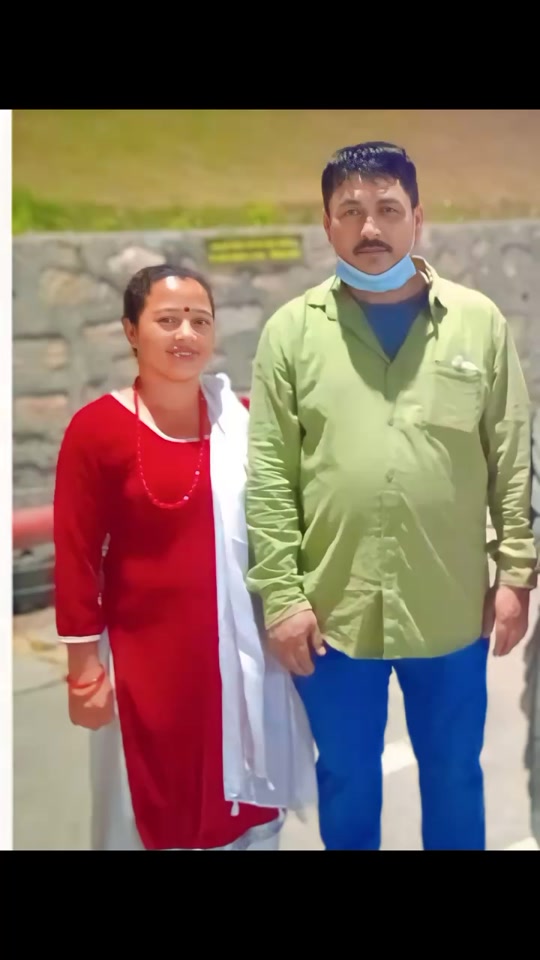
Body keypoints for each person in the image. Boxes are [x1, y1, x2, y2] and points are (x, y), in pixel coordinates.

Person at [244, 141, 538, 851]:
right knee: (347, 777)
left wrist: (516, 575)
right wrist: (282, 596)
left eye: (386, 209)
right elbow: (271, 475)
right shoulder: (290, 333)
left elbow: (510, 456)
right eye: (350, 211)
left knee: (454, 775)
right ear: (327, 224)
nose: (369, 227)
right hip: (333, 612)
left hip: (451, 606)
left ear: (417, 218)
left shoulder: (477, 323)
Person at [53, 263, 316, 851]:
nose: (186, 334)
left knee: (245, 804)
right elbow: (75, 557)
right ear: (131, 330)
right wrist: (83, 669)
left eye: (200, 320)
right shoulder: (96, 430)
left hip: (241, 653)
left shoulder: (238, 420)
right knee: (156, 804)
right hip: (147, 661)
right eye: (168, 320)